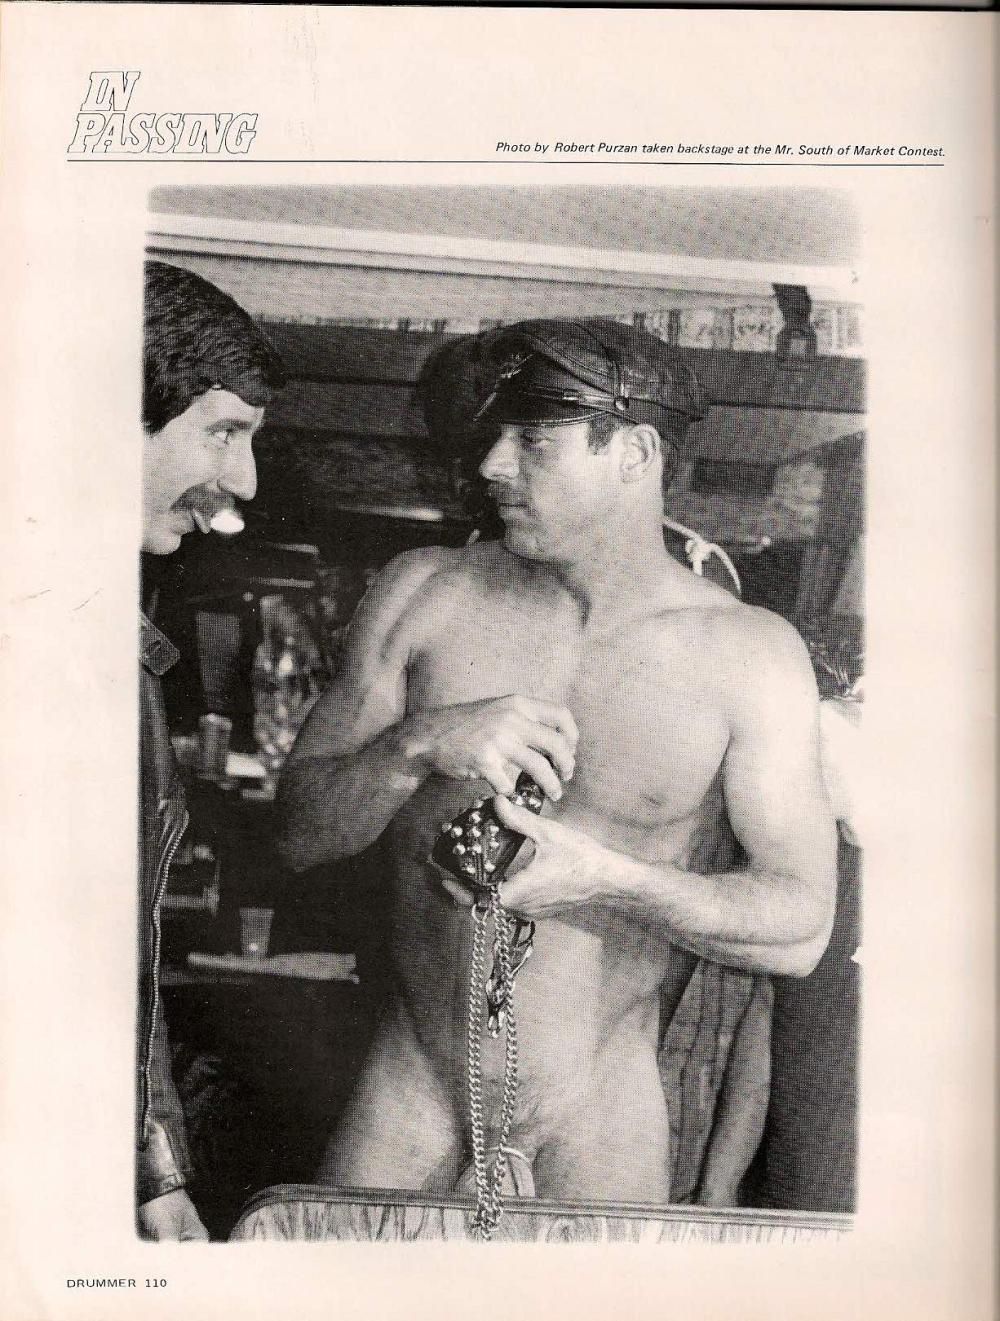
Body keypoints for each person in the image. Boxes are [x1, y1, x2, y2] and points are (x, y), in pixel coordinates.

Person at [278, 318, 837, 1203]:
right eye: (494, 436)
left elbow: (801, 927)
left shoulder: (750, 655)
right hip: (412, 1088)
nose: (493, 464)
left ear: (635, 453)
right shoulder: (424, 593)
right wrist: (412, 745)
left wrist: (609, 879)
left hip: (598, 1112)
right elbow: (296, 837)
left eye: (534, 440)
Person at [138, 259, 285, 1238]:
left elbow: (108, 958)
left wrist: (154, 1174)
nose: (243, 481)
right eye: (224, 432)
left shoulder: (120, 645)